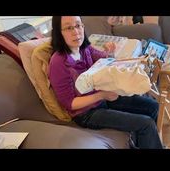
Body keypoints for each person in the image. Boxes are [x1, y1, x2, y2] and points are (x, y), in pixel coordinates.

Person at [48, 16, 163, 149]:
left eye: (78, 25)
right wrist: (101, 95)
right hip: (86, 113)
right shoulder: (58, 63)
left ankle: (147, 143)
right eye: (69, 28)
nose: (76, 31)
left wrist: (110, 53)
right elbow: (69, 103)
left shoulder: (85, 49)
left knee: (153, 106)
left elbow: (106, 60)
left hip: (103, 99)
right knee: (146, 124)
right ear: (58, 32)